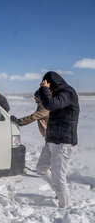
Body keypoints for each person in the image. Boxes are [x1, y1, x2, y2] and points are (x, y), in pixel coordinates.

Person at [36, 71, 79, 208]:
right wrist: (43, 91)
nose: (49, 91)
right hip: (52, 141)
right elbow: (47, 101)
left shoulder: (68, 93)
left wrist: (44, 90)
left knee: (58, 179)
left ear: (52, 84)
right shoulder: (58, 94)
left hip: (64, 144)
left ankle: (66, 209)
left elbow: (50, 105)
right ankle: (59, 192)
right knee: (41, 169)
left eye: (49, 87)